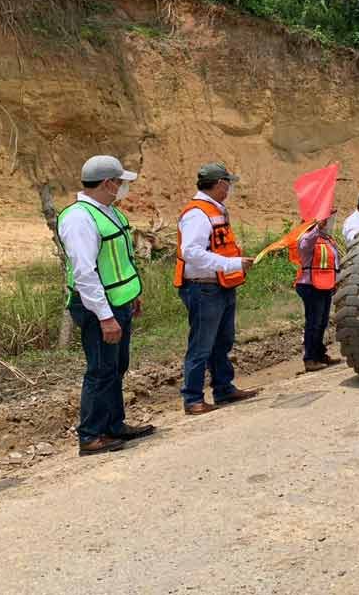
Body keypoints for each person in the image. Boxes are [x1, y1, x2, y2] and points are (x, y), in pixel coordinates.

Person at [57, 155, 155, 456]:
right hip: (98, 308)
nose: (123, 187)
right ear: (108, 183)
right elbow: (85, 274)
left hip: (119, 302)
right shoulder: (79, 218)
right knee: (100, 370)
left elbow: (118, 259)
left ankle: (114, 425)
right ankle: (90, 435)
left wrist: (131, 294)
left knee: (116, 367)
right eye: (121, 182)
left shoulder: (108, 211)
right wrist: (105, 316)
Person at [174, 163, 260, 415]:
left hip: (221, 284)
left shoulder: (214, 210)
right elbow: (191, 253)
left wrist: (234, 262)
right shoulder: (197, 213)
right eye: (228, 183)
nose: (230, 188)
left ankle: (223, 388)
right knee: (201, 345)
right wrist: (231, 263)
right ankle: (192, 398)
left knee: (222, 341)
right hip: (203, 288)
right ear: (221, 183)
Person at [296, 213, 341, 372]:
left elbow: (334, 262)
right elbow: (305, 245)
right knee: (313, 323)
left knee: (322, 322)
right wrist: (316, 227)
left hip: (325, 285)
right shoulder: (306, 237)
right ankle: (310, 359)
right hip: (310, 286)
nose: (327, 223)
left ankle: (319, 354)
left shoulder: (328, 239)